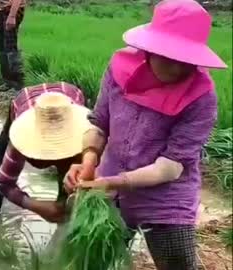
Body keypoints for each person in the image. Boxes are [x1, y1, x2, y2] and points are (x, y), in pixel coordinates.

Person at [63, 1, 227, 269]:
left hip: (166, 199)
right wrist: (90, 159)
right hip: (109, 186)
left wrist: (114, 182)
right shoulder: (120, 69)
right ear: (149, 49)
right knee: (91, 260)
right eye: (169, 57)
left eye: (186, 60)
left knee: (178, 264)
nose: (177, 68)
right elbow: (99, 123)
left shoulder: (201, 96)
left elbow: (171, 167)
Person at [0, 82, 92, 222]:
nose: (54, 153)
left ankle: (65, 217)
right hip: (24, 102)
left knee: (72, 182)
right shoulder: (22, 135)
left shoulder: (84, 135)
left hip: (67, 101)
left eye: (60, 146)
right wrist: (35, 206)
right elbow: (5, 183)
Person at [0, 0, 26, 92]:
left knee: (10, 47)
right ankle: (8, 82)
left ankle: (18, 85)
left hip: (11, 10)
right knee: (0, 46)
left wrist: (12, 15)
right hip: (1, 10)